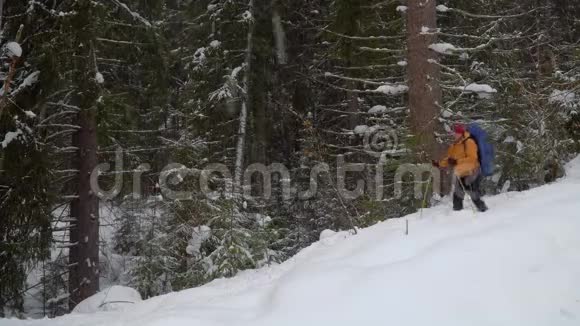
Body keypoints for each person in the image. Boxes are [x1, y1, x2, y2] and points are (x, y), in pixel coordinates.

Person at [432, 124, 488, 212]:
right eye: (453, 133)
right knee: (457, 195)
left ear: (461, 133)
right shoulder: (454, 145)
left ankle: (484, 211)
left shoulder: (469, 142)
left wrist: (457, 161)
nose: (454, 134)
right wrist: (438, 164)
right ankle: (457, 214)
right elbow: (449, 159)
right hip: (462, 173)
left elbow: (473, 158)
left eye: (456, 133)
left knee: (473, 195)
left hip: (472, 172)